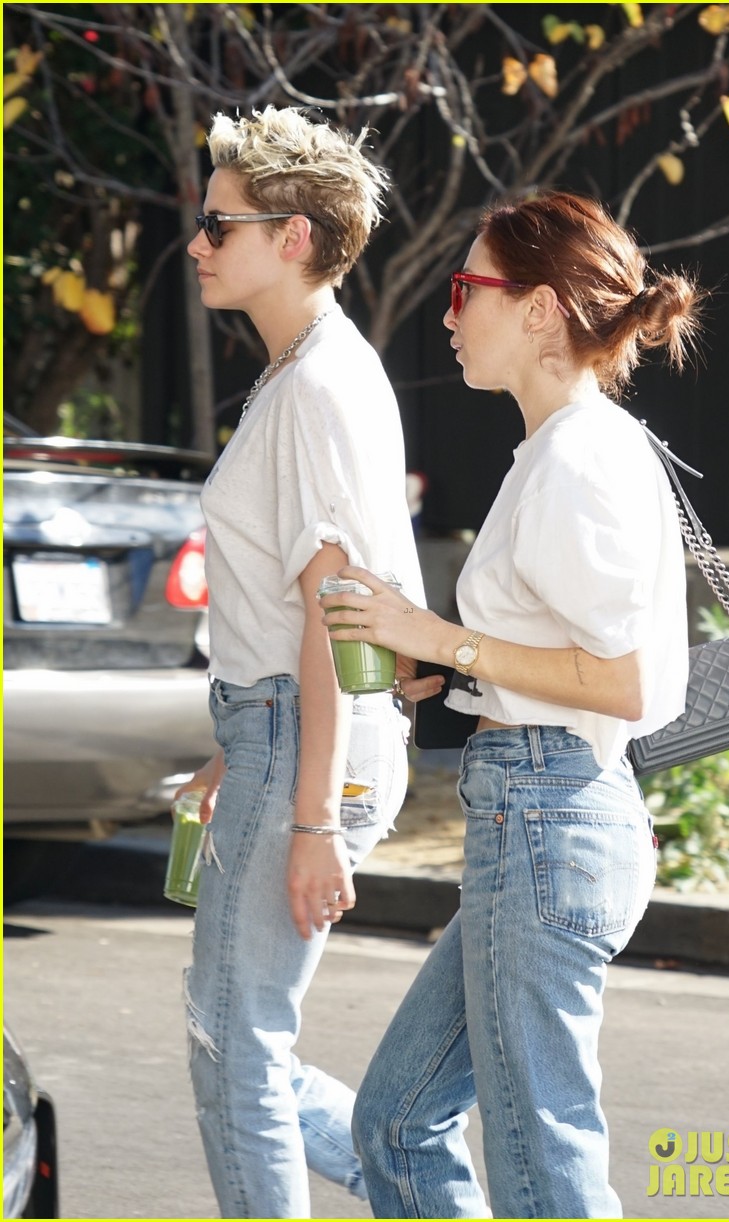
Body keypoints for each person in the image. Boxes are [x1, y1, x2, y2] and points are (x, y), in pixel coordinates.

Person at [321, 190, 705, 1219]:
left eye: (464, 289)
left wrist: (436, 637)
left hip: (550, 814)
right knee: (397, 1124)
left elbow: (619, 680)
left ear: (539, 309)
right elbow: (564, 647)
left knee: (542, 1163)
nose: (448, 315)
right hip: (534, 811)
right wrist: (458, 675)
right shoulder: (558, 449)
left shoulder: (580, 454)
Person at [178, 105, 431, 1219]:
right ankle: (428, 1191)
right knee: (241, 1042)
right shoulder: (299, 376)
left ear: (292, 237)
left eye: (217, 223)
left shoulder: (322, 384)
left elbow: (340, 614)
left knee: (235, 1045)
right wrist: (240, 750)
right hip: (276, 737)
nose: (195, 242)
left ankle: (428, 1187)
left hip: (301, 741)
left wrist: (313, 815)